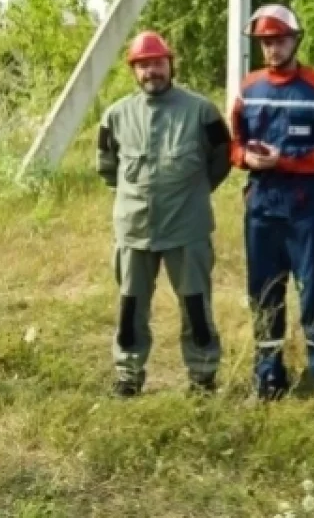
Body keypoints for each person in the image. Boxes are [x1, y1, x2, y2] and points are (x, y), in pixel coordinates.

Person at [229, 4, 314, 416]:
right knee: (264, 296)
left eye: (279, 40)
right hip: (262, 207)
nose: (272, 48)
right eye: (265, 42)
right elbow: (232, 143)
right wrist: (247, 158)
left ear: (295, 41)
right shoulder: (248, 88)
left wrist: (294, 161)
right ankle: (268, 379)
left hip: (304, 208)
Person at [96, 30, 232, 397]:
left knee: (196, 307)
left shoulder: (201, 111)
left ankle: (202, 377)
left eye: (157, 63)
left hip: (187, 230)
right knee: (130, 308)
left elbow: (222, 159)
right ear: (133, 71)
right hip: (134, 230)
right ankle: (128, 376)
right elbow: (107, 168)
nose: (151, 71)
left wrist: (191, 195)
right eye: (143, 65)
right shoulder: (115, 116)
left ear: (170, 64)